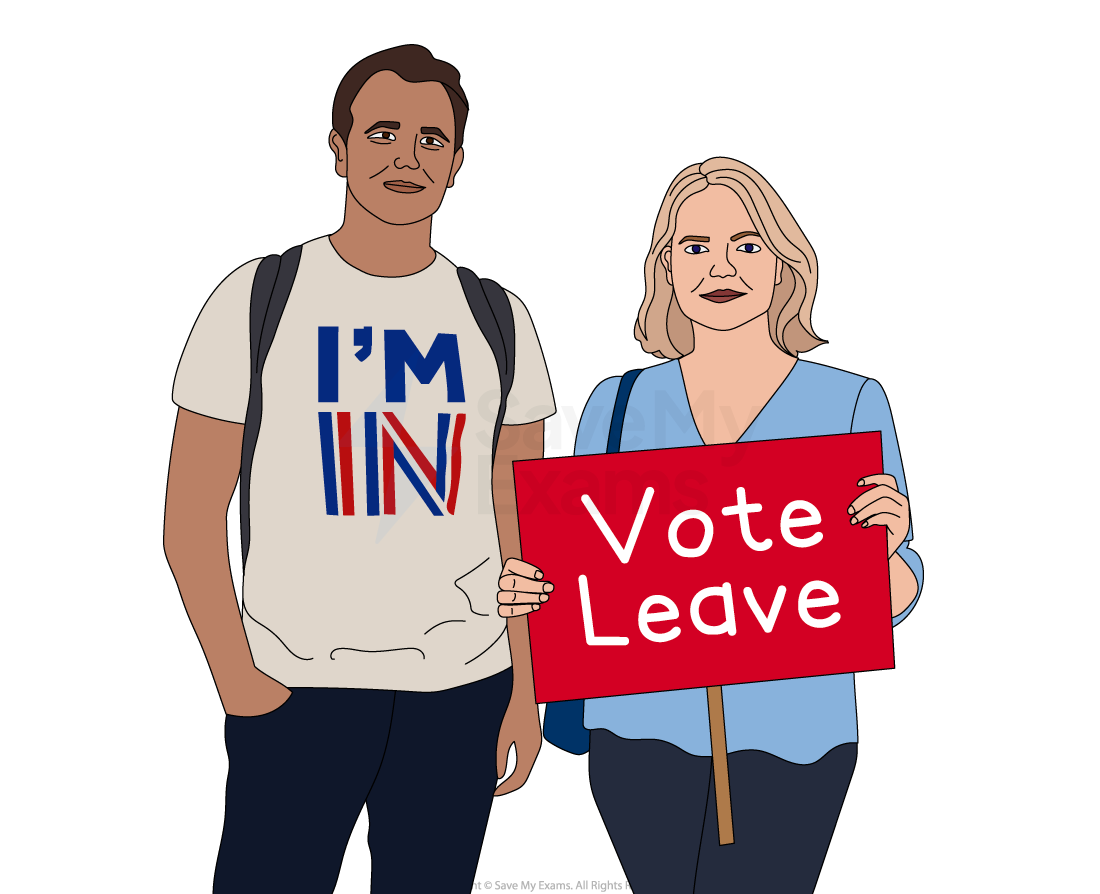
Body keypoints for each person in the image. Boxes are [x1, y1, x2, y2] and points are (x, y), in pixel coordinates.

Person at [164, 46, 556, 893]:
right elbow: (191, 515)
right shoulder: (257, 296)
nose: (405, 158)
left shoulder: (499, 317)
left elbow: (521, 520)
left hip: (462, 690)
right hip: (295, 689)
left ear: (457, 165)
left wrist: (525, 687)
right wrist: (237, 677)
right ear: (339, 149)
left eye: (430, 139)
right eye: (381, 133)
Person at [569, 158, 923, 892]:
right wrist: (532, 589)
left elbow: (891, 601)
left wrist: (885, 552)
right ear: (665, 268)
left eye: (746, 243)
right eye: (694, 246)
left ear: (783, 264)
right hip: (638, 733)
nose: (719, 266)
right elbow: (583, 577)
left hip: (795, 738)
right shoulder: (617, 404)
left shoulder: (851, 403)